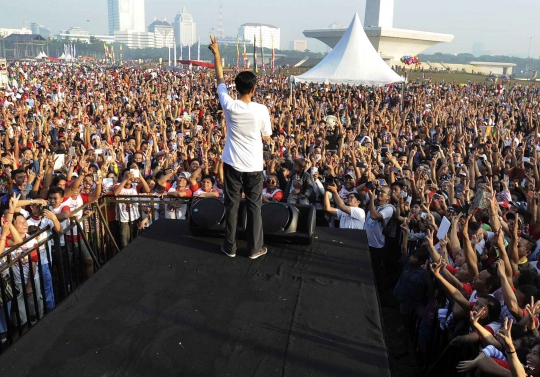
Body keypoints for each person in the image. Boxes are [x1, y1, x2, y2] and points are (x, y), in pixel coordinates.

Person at [209, 35, 272, 259]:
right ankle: (255, 248)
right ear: (254, 89)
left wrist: (216, 53)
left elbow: (219, 78)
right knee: (254, 206)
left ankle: (230, 246)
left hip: (232, 163)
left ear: (235, 88)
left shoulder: (229, 104)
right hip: (254, 165)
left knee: (232, 205)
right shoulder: (262, 110)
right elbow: (267, 137)